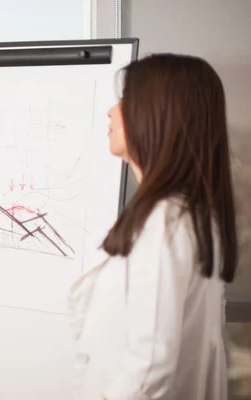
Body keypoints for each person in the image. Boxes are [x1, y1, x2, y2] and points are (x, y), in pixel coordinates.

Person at [68, 53, 238, 400]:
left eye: (126, 99)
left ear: (159, 115)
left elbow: (148, 370)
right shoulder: (187, 215)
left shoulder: (165, 221)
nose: (111, 110)